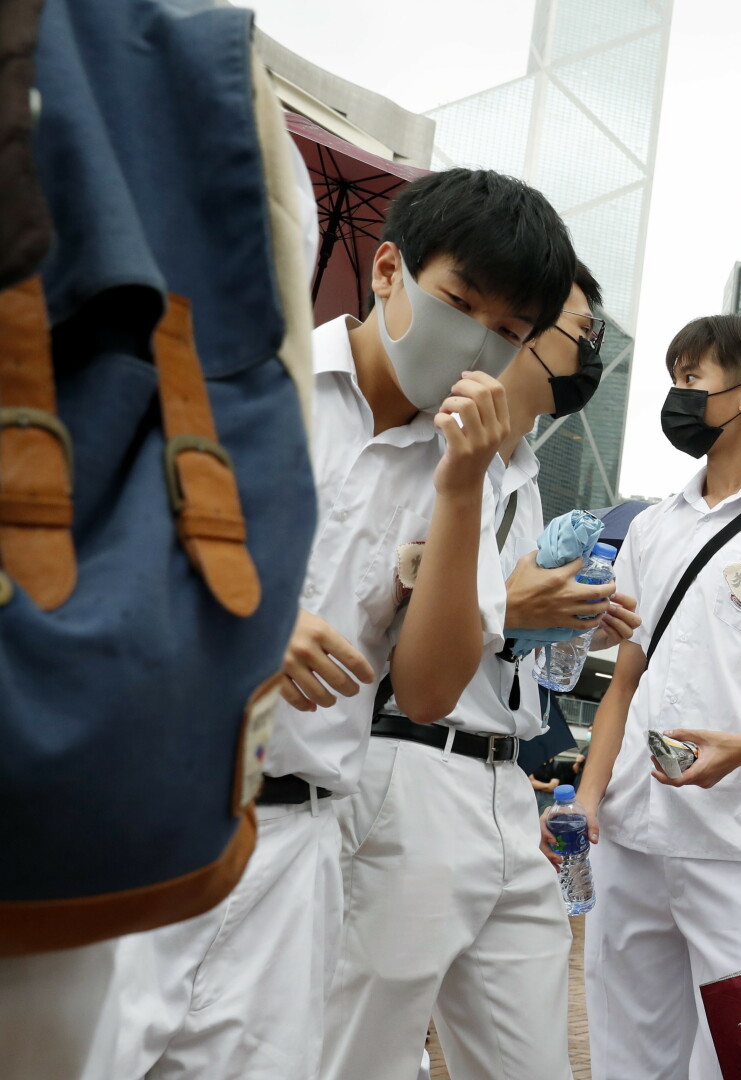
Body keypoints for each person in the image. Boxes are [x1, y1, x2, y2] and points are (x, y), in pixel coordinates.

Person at [122, 167, 576, 1080]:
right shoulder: (248, 369)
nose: (477, 343)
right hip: (145, 806)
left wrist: (456, 486)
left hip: (298, 841)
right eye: (460, 302)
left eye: (510, 333)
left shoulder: (473, 475)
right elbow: (104, 546)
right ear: (385, 272)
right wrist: (246, 623)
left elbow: (429, 684)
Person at [322, 262, 641, 1080]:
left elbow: (507, 637)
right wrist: (509, 601)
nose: (586, 352)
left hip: (503, 779)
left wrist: (550, 618)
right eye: (577, 331)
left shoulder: (527, 472)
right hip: (412, 760)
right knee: (364, 1051)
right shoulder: (431, 447)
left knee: (529, 1059)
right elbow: (387, 615)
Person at [566, 314, 741, 1080]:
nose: (677, 396)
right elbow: (625, 682)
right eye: (675, 378)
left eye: (693, 380)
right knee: (627, 1057)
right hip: (632, 836)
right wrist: (589, 799)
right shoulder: (652, 528)